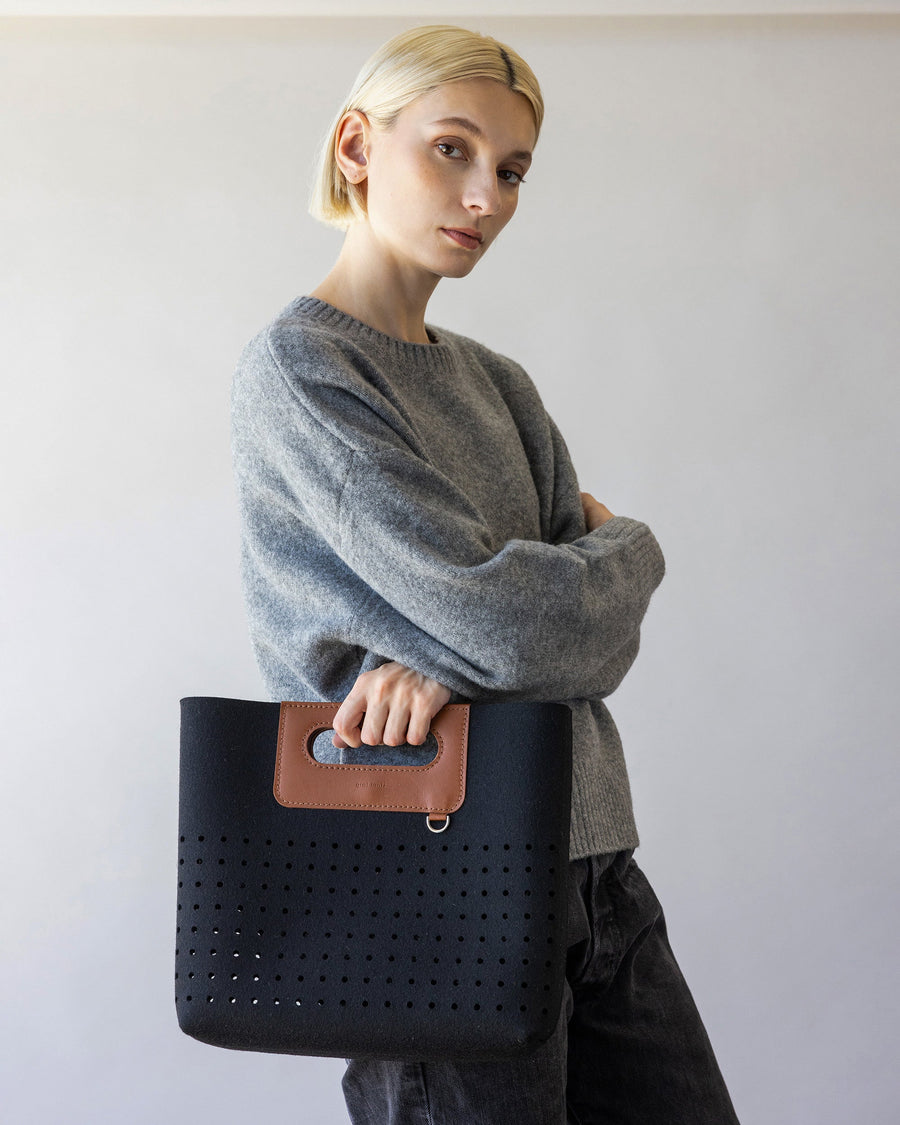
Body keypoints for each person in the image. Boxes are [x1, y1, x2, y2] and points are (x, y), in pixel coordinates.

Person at [231, 24, 740, 1125]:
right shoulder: (304, 366)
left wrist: (469, 641)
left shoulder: (499, 385)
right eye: (453, 151)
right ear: (358, 145)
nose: (488, 197)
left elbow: (581, 643)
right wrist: (627, 549)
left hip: (598, 863)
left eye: (511, 170)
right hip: (427, 875)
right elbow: (517, 627)